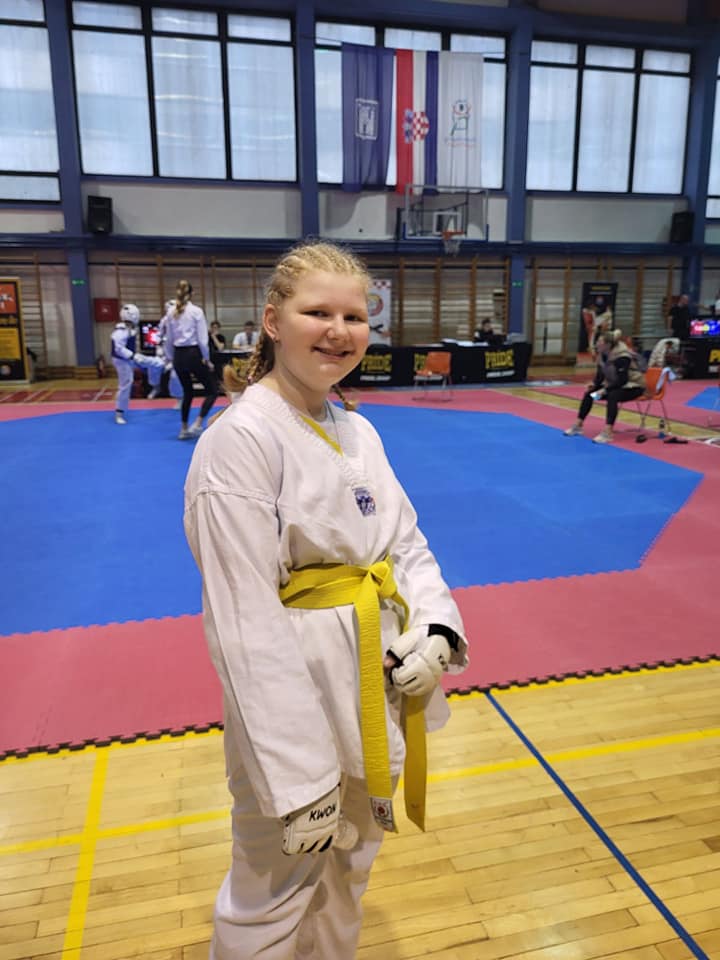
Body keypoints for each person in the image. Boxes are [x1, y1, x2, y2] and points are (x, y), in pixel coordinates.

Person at [183, 240, 468, 960]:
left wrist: (435, 627)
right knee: (271, 896)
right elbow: (244, 618)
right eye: (318, 313)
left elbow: (405, 544)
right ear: (273, 321)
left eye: (354, 316)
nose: (339, 331)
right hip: (295, 700)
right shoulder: (240, 441)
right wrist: (298, 775)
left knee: (349, 872)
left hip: (371, 678)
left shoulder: (357, 428)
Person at [563, 327, 646, 444]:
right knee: (591, 394)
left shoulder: (622, 357)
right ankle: (578, 425)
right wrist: (595, 384)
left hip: (634, 387)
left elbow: (622, 380)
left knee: (613, 396)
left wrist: (605, 390)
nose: (596, 344)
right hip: (614, 386)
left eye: (599, 342)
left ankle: (608, 432)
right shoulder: (602, 355)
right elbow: (601, 375)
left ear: (608, 345)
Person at [164, 280, 219, 439]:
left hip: (178, 355)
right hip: (193, 353)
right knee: (212, 390)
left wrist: (170, 358)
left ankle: (183, 429)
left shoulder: (171, 312)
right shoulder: (196, 311)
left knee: (187, 392)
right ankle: (198, 423)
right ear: (192, 293)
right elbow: (202, 340)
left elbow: (168, 339)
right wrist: (207, 359)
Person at [110, 303, 165, 425]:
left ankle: (155, 386)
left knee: (156, 363)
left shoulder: (130, 328)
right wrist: (133, 356)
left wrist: (135, 356)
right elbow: (118, 349)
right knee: (126, 384)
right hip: (121, 361)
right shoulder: (120, 331)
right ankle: (119, 413)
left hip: (130, 358)